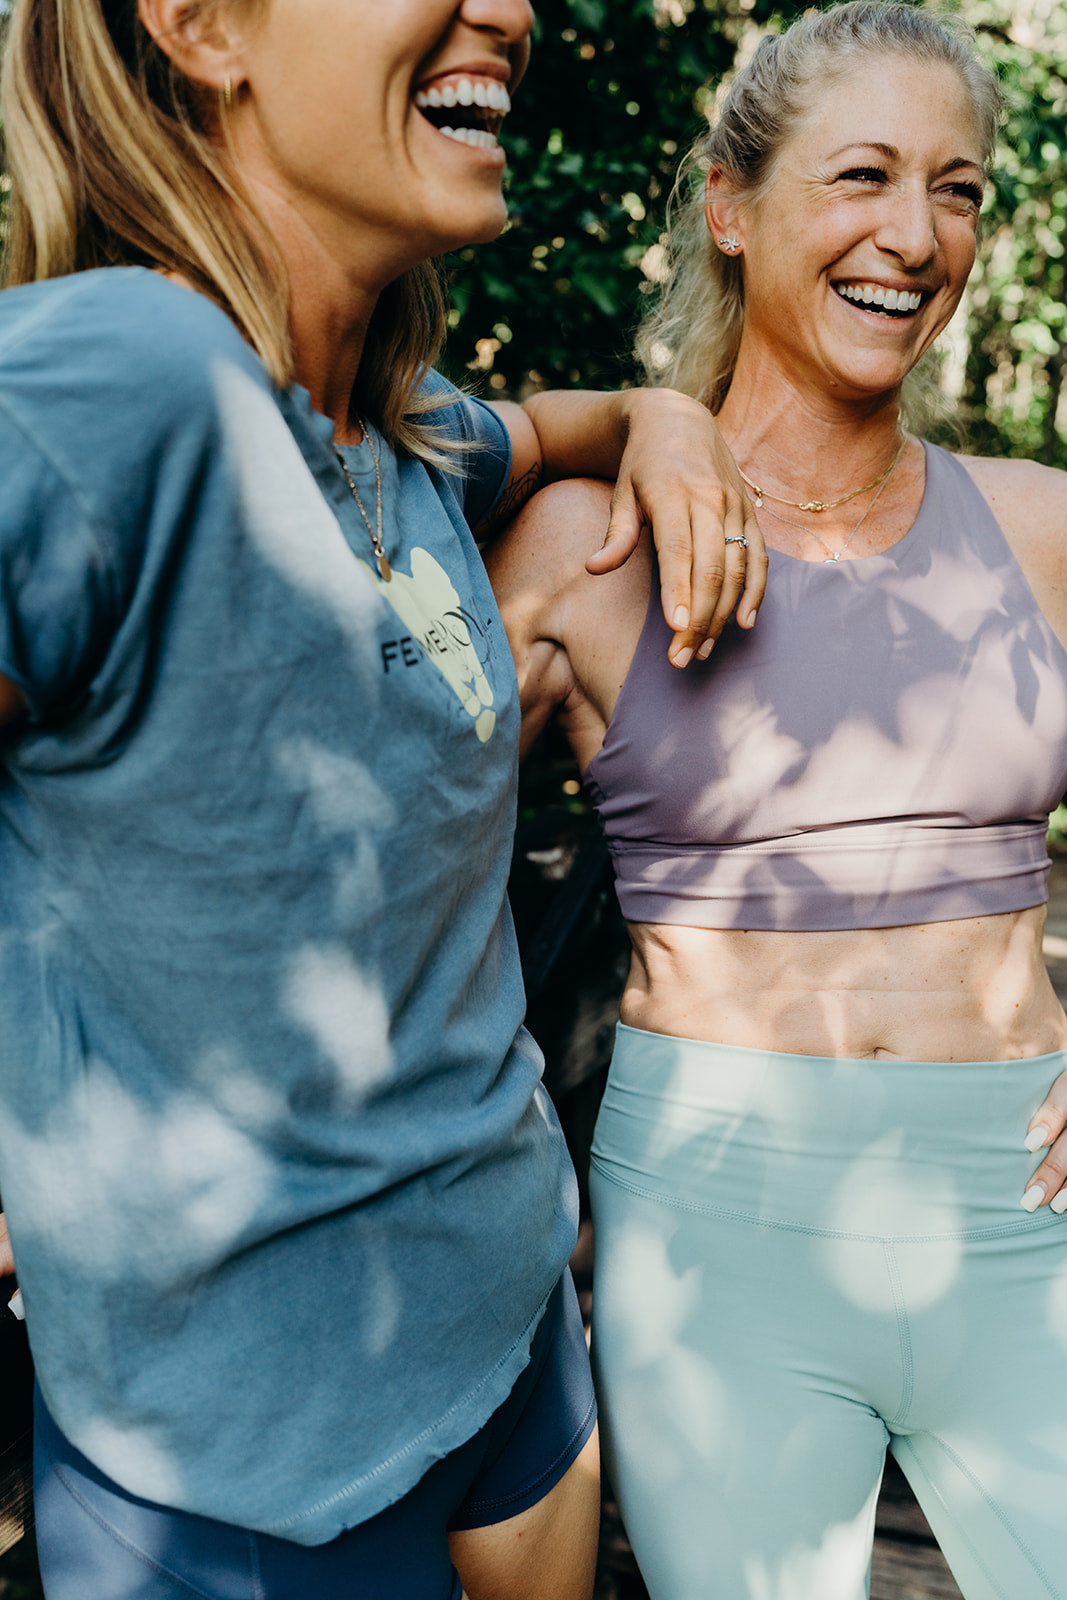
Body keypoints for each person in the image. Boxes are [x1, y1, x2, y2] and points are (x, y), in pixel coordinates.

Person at [0, 1, 767, 1597]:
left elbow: (563, 426)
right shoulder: (123, 382)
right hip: (247, 1480)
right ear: (205, 28)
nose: (516, 6)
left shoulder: (394, 434)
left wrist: (668, 419)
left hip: (505, 1345)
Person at [486, 5, 1067, 1597]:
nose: (917, 235)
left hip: (1029, 1216)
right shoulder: (582, 550)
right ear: (729, 206)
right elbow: (352, 839)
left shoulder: (1038, 530)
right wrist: (629, 416)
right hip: (717, 1236)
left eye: (957, 189)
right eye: (864, 175)